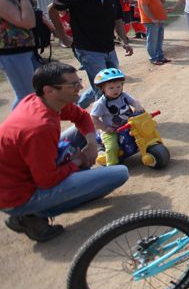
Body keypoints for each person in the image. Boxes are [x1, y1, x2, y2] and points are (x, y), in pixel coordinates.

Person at [0, 62, 129, 242]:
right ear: (49, 90)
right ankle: (31, 215)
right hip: (19, 196)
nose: (81, 88)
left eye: (79, 81)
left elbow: (82, 116)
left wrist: (91, 144)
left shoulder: (43, 100)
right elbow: (46, 180)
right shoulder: (39, 128)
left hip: (26, 172)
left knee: (83, 135)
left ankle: (71, 183)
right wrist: (77, 162)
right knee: (119, 173)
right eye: (73, 85)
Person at [49, 0, 134, 108]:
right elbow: (52, 9)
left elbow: (118, 19)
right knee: (104, 88)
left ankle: (78, 108)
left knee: (111, 82)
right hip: (88, 50)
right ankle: (105, 122)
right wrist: (61, 35)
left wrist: (124, 40)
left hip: (109, 48)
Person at [89, 68, 144, 166]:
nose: (116, 90)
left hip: (129, 124)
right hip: (111, 130)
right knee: (112, 146)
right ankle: (112, 166)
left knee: (144, 130)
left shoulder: (123, 95)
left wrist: (138, 107)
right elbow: (93, 118)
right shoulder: (101, 103)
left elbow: (134, 101)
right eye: (111, 88)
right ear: (103, 89)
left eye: (118, 86)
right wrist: (105, 128)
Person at [0, 0, 36, 108]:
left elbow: (31, 22)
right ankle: (15, 127)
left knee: (32, 92)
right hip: (12, 52)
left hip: (24, 50)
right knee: (26, 94)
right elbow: (27, 23)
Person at [138, 0, 170, 66]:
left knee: (159, 39)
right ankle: (153, 58)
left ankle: (160, 56)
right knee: (152, 40)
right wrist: (152, 18)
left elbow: (163, 0)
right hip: (151, 20)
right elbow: (144, 6)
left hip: (159, 19)